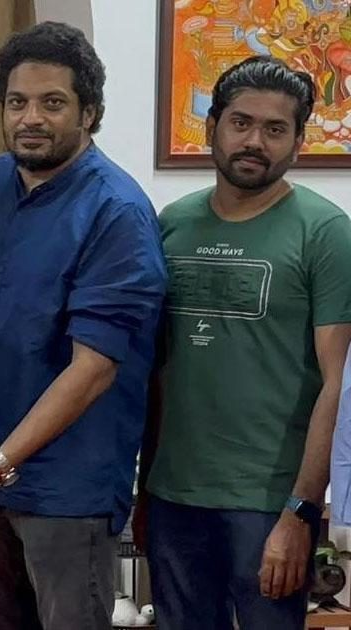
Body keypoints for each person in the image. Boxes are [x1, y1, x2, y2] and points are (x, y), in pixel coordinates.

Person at [0, 22, 167, 630]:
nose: (30, 118)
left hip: (67, 491)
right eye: (17, 102)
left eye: (52, 103)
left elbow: (92, 371)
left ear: (89, 113)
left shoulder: (116, 212)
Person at [142, 56, 351, 630]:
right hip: (174, 495)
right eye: (241, 122)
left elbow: (338, 385)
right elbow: (155, 367)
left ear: (299, 142)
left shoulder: (326, 233)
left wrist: (301, 511)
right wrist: (146, 491)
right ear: (212, 127)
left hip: (267, 504)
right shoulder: (171, 224)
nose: (255, 141)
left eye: (275, 128)